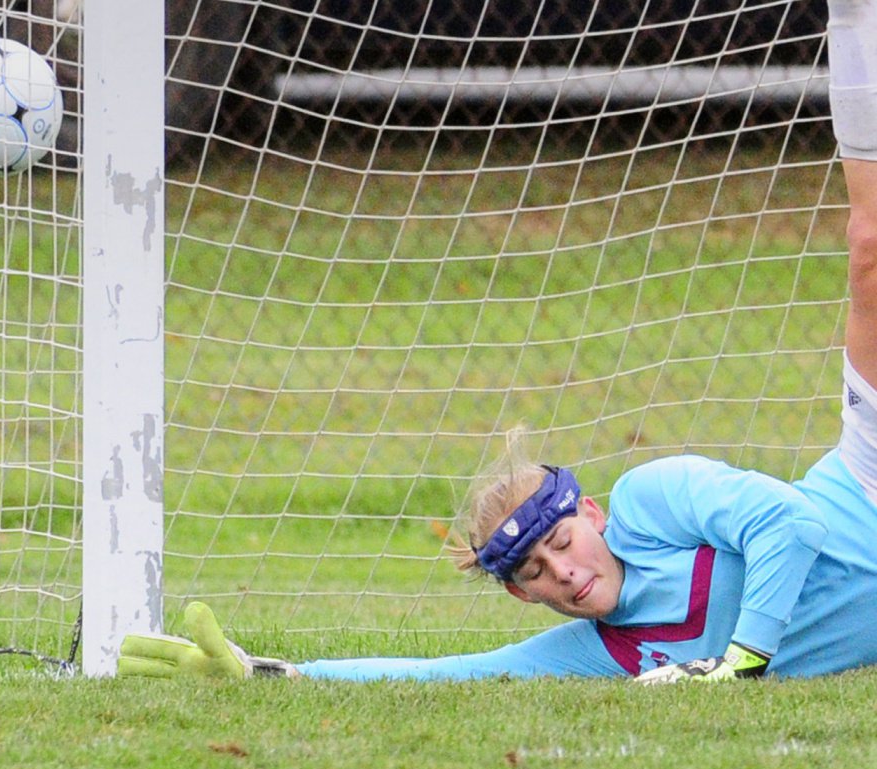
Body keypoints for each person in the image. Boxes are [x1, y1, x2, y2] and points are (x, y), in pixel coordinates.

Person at [117, 0, 877, 684]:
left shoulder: (652, 501)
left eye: (563, 541)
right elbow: (446, 673)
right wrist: (273, 673)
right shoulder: (603, 654)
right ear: (522, 594)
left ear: (593, 512)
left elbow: (796, 522)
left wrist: (742, 663)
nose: (565, 574)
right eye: (538, 573)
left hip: (867, 479)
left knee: (869, 248)